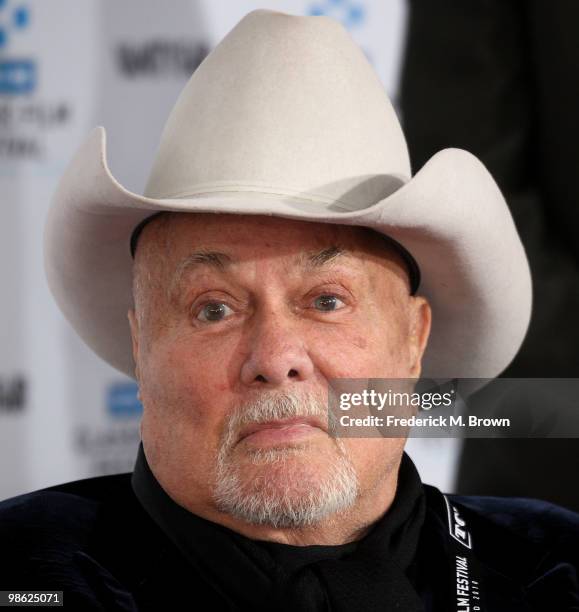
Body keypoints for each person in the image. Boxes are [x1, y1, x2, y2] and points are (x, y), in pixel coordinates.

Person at [1, 9, 578, 611]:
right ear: (142, 347)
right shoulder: (24, 572)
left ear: (413, 339)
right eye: (213, 310)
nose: (275, 358)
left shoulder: (554, 571)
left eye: (327, 301)